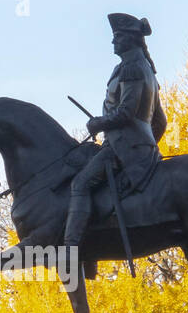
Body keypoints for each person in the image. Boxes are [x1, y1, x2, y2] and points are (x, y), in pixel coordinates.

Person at [63, 13, 167, 251]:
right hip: (134, 146)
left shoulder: (131, 68)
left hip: (124, 147)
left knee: (80, 183)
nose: (113, 42)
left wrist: (99, 123)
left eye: (118, 37)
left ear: (131, 39)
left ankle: (70, 248)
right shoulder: (146, 69)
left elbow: (126, 113)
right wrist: (148, 145)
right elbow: (160, 121)